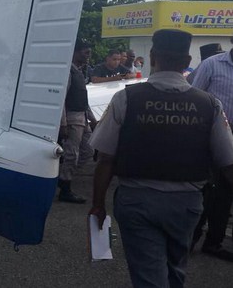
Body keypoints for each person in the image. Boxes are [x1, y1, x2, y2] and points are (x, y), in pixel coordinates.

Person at [88, 29, 233, 287]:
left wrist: (98, 205)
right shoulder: (210, 104)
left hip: (136, 201)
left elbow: (106, 158)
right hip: (187, 204)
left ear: (153, 56)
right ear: (188, 62)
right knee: (176, 268)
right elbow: (227, 160)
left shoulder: (126, 98)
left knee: (148, 275)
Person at [189, 40, 233, 261]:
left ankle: (214, 242)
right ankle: (189, 239)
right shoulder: (212, 65)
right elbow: (195, 98)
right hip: (211, 138)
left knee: (225, 194)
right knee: (204, 190)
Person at [57, 39, 97, 203]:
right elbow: (61, 100)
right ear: (75, 52)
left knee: (88, 151)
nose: (88, 56)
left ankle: (63, 178)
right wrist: (63, 123)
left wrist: (92, 119)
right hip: (72, 118)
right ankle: (65, 188)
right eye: (85, 52)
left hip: (82, 117)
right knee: (71, 154)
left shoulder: (79, 71)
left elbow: (83, 100)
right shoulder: (68, 72)